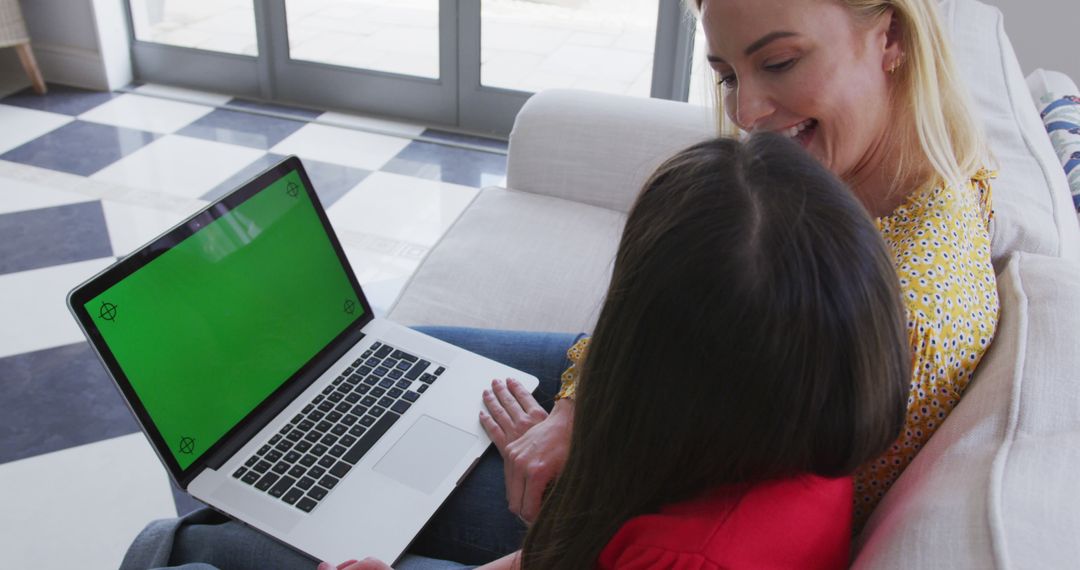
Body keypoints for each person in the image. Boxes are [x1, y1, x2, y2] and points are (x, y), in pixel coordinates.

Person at [408, 1, 998, 559]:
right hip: (665, 399)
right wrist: (575, 407)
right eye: (727, 75)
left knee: (346, 488)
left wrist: (588, 462)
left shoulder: (904, 307)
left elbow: (743, 510)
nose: (744, 115)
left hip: (649, 486)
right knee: (396, 359)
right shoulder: (863, 174)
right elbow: (663, 318)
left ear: (890, 37)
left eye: (779, 63)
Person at [325, 133, 910, 569]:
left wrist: (556, 518)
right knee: (404, 348)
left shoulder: (681, 558)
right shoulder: (807, 420)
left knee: (238, 544)